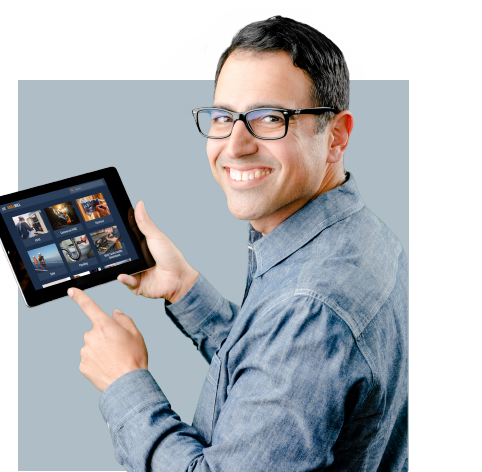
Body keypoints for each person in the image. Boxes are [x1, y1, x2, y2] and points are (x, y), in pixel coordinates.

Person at [67, 15, 407, 472]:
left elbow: (297, 341)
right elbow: (280, 374)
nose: (235, 144)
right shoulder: (360, 236)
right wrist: (184, 289)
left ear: (336, 137)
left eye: (270, 118)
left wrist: (124, 382)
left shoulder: (311, 307)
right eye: (223, 117)